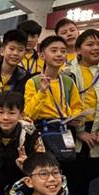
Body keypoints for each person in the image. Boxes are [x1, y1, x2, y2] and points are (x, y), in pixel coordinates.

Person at [65, 29, 99, 195]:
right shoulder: (67, 73)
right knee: (72, 177)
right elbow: (64, 103)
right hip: (72, 132)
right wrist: (79, 131)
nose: (96, 48)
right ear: (78, 49)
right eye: (90, 44)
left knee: (94, 178)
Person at [23, 35, 83, 169]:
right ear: (42, 55)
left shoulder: (68, 81)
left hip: (65, 129)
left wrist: (75, 117)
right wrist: (42, 91)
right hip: (42, 130)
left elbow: (77, 106)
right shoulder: (33, 82)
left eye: (63, 51)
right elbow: (29, 114)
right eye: (54, 50)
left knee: (67, 164)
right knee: (45, 167)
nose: (59, 54)